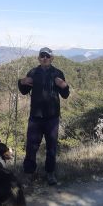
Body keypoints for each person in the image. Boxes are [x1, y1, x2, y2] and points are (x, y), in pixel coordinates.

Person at [18, 47, 70, 186]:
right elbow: (24, 91)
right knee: (31, 147)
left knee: (51, 147)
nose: (45, 58)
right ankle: (29, 174)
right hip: (35, 117)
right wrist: (21, 82)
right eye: (42, 56)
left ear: (52, 58)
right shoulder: (33, 72)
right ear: (39, 58)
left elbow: (65, 95)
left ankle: (50, 173)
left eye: (47, 56)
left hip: (52, 118)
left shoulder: (57, 73)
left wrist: (64, 86)